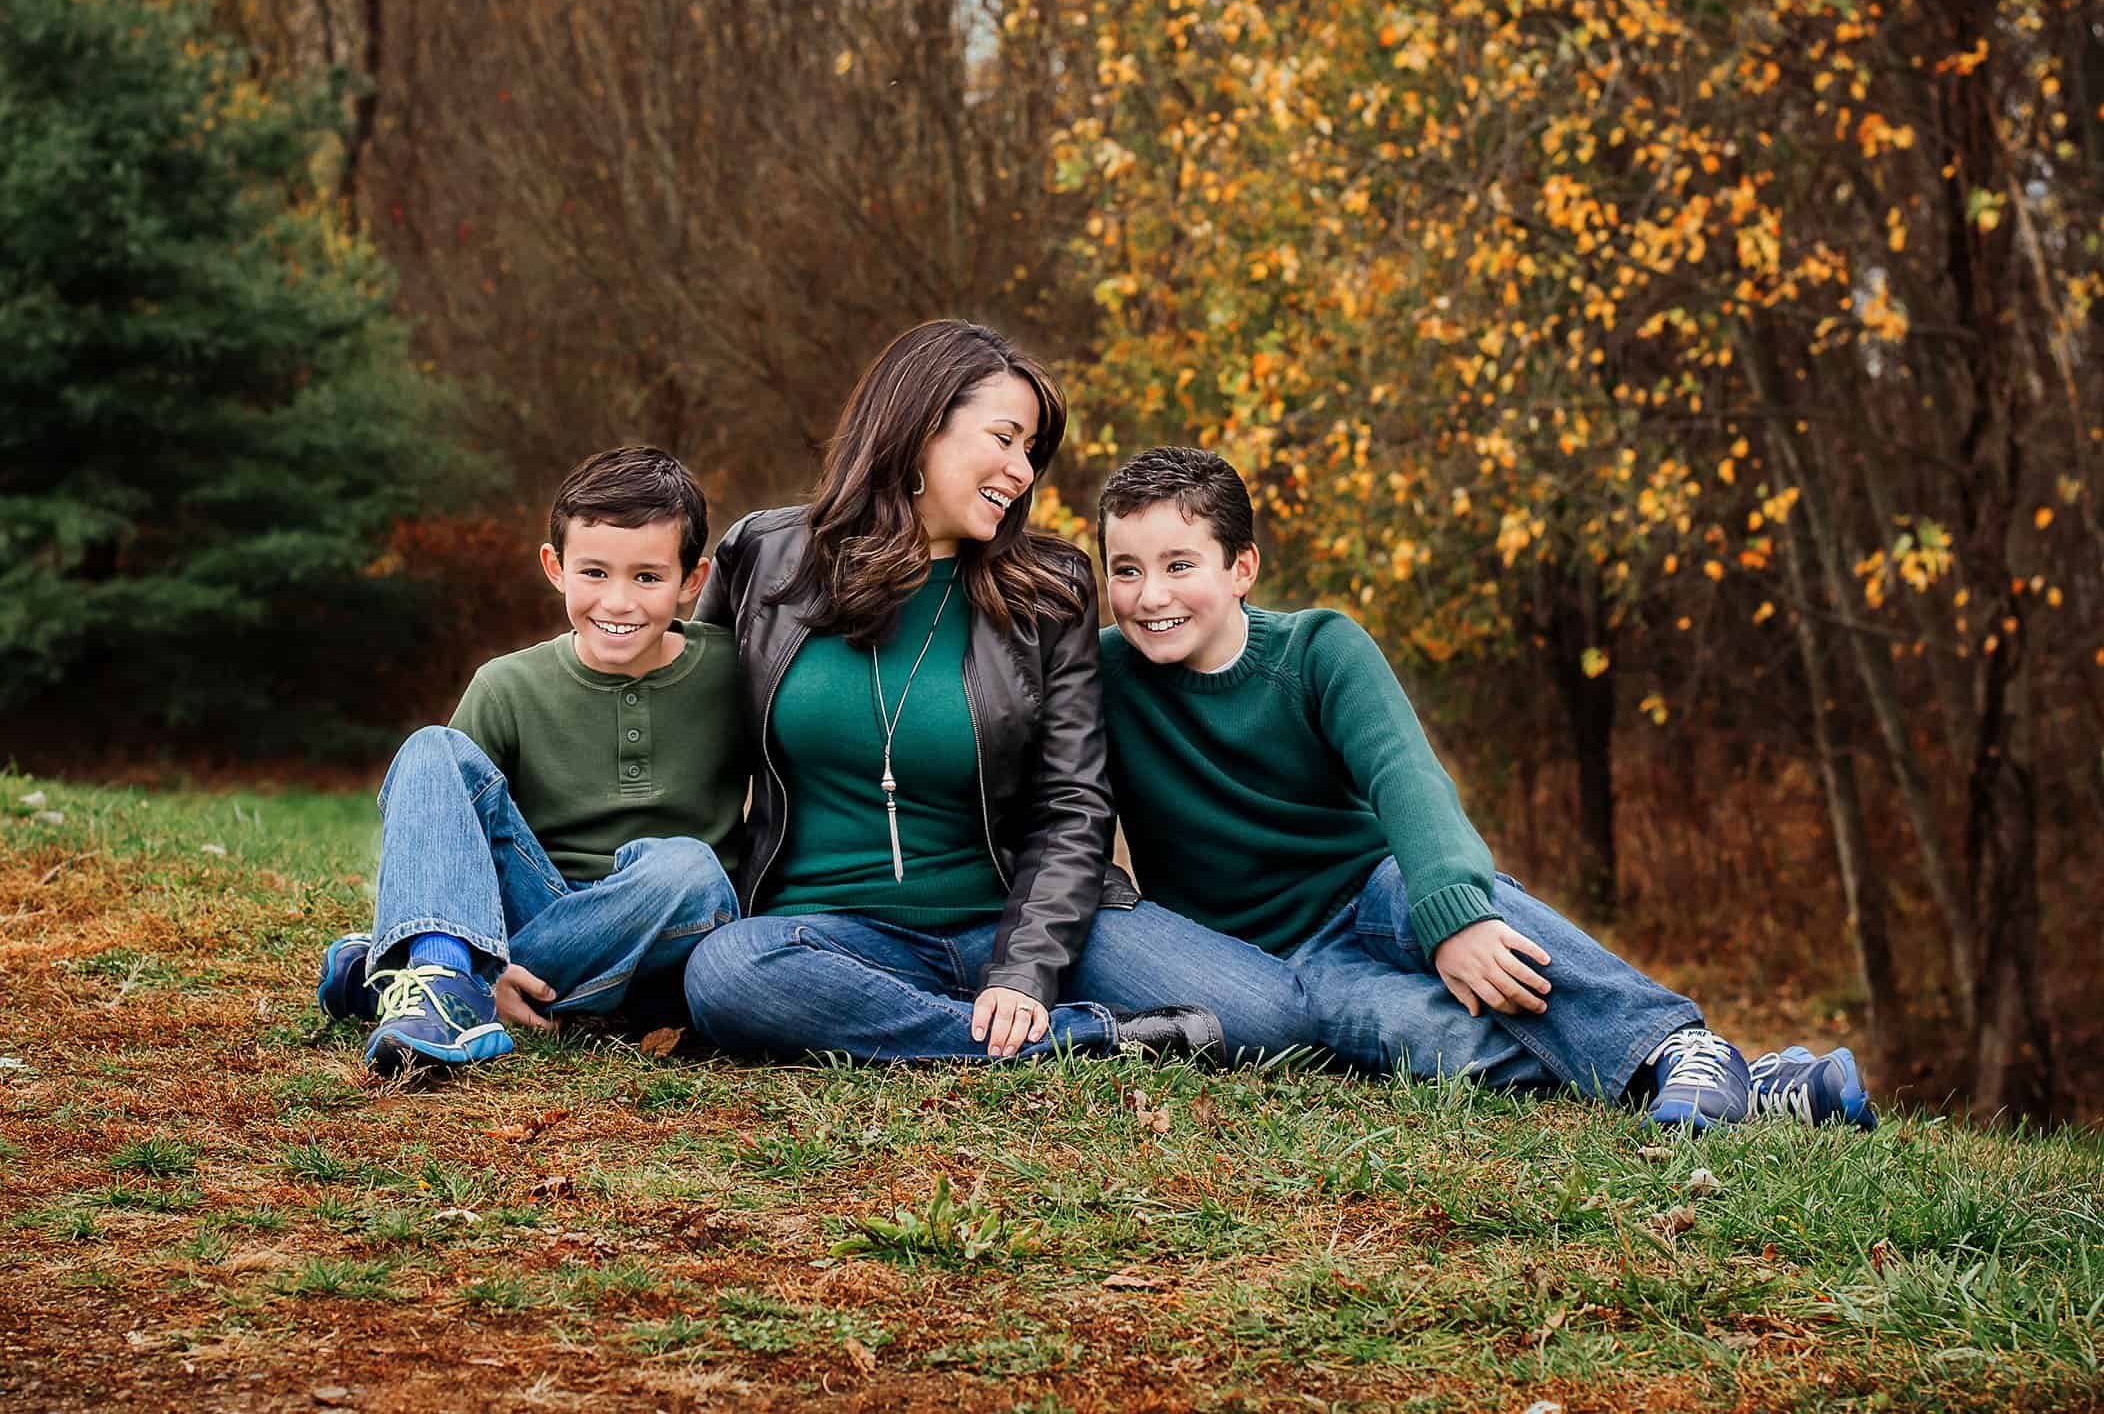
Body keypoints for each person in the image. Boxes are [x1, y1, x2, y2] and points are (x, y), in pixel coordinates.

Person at [1067, 446, 1877, 1130]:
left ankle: (1678, 1044)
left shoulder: (1318, 650)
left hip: (1372, 888)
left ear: (1241, 566)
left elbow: (1407, 779)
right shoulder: (1101, 676)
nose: (1150, 596)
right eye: (1126, 570)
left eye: (1179, 565)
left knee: (1487, 939)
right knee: (1396, 1028)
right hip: (1277, 959)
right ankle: (1748, 1084)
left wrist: (1452, 914)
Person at [679, 321, 1218, 1063]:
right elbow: (690, 740)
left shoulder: (1050, 589)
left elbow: (1073, 803)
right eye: (1005, 439)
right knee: (727, 972)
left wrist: (1025, 971)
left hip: (1011, 923)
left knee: (1263, 1019)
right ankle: (1083, 1037)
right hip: (825, 939)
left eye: (1031, 450)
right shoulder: (763, 557)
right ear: (919, 425)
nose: (1022, 471)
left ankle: (963, 1021)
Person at [314, 446, 746, 1076]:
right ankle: (445, 975)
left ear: (692, 581)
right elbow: (445, 836)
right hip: (533, 897)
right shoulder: (507, 686)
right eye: (594, 572)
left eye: (647, 578)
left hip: (668, 926)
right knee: (432, 747)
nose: (618, 601)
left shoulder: (735, 671)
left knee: (690, 870)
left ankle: (435, 976)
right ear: (555, 567)